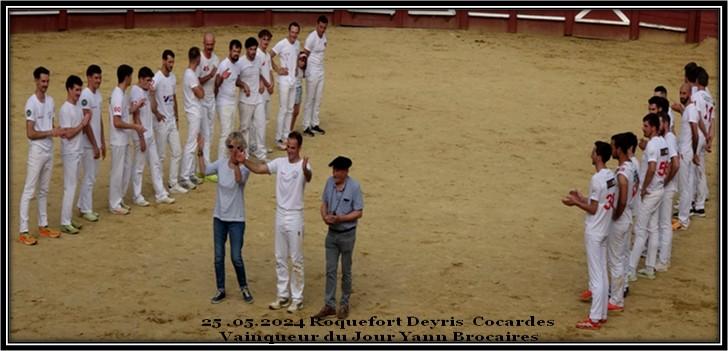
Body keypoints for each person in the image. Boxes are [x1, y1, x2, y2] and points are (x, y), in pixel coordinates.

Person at [243, 131, 312, 313]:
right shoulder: (280, 163)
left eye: (293, 148)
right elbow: (259, 169)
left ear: (299, 148)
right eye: (288, 147)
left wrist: (305, 169)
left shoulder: (303, 166)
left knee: (296, 258)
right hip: (280, 214)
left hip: (295, 215)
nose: (289, 151)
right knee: (280, 257)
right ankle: (283, 295)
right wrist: (243, 161)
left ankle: (297, 298)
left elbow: (308, 176)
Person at [562, 141, 616, 330]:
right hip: (605, 229)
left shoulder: (597, 179)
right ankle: (601, 314)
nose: (591, 153)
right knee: (602, 272)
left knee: (596, 276)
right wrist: (580, 198)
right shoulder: (611, 177)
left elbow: (593, 209)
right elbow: (598, 203)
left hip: (594, 230)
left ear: (599, 156)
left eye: (593, 151)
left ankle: (594, 318)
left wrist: (575, 203)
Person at [197, 131, 254, 305]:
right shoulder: (221, 163)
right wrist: (199, 152)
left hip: (236, 219)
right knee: (219, 257)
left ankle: (243, 286)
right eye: (230, 146)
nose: (233, 150)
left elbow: (238, 181)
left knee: (236, 256)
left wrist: (237, 163)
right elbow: (204, 171)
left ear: (242, 149)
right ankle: (220, 289)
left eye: (237, 147)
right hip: (220, 217)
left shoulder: (244, 168)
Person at [312, 156, 363, 320]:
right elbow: (324, 204)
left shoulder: (354, 187)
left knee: (346, 270)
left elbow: (358, 212)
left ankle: (344, 303)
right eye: (333, 170)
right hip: (332, 233)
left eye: (337, 170)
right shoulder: (329, 183)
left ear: (345, 171)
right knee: (330, 270)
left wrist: (340, 218)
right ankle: (330, 304)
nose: (334, 173)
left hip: (347, 234)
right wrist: (324, 216)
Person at [18, 67, 64, 245]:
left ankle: (43, 225)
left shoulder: (51, 101)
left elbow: (50, 124)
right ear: (36, 81)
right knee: (29, 190)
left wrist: (55, 131)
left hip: (48, 149)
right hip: (37, 151)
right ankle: (23, 230)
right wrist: (50, 132)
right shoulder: (31, 103)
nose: (45, 85)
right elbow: (30, 133)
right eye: (43, 81)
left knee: (44, 190)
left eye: (47, 81)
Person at [627, 113, 669, 281]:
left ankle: (631, 269)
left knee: (640, 230)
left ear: (653, 128)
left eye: (645, 126)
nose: (643, 129)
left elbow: (651, 168)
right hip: (659, 189)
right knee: (653, 228)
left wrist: (644, 188)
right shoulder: (663, 143)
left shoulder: (652, 145)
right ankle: (650, 267)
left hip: (651, 191)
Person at [130, 67, 175, 206]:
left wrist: (152, 93)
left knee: (155, 163)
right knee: (139, 166)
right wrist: (141, 137)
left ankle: (160, 193)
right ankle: (137, 196)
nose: (150, 83)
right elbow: (135, 115)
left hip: (150, 134)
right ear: (141, 79)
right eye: (148, 80)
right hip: (141, 135)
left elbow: (154, 108)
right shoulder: (135, 91)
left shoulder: (147, 91)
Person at [604, 133, 637, 312]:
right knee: (623, 256)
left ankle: (616, 300)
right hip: (629, 216)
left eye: (614, 146)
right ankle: (621, 289)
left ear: (620, 149)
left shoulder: (622, 174)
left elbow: (622, 199)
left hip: (621, 218)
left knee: (615, 260)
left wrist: (616, 215)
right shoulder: (632, 166)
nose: (612, 149)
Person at [109, 64, 146, 215]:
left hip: (123, 139)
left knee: (125, 169)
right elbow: (117, 122)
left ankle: (119, 199)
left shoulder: (122, 94)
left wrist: (135, 107)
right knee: (117, 172)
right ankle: (114, 204)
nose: (132, 78)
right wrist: (135, 127)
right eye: (130, 75)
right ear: (126, 77)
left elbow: (125, 112)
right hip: (118, 140)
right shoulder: (118, 95)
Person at [58, 75, 91, 234]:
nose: (79, 93)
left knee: (73, 186)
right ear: (69, 89)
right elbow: (68, 133)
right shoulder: (65, 109)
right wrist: (82, 124)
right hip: (70, 152)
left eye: (80, 89)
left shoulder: (77, 106)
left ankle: (68, 218)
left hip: (77, 151)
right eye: (76, 90)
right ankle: (65, 221)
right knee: (69, 187)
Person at [152, 50, 187, 195]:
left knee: (177, 151)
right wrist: (157, 113)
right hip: (161, 122)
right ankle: (159, 187)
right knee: (160, 155)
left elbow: (174, 99)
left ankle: (173, 183)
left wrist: (177, 118)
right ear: (163, 61)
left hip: (171, 120)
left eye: (173, 62)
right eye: (169, 62)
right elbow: (150, 95)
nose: (171, 65)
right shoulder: (157, 78)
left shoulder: (172, 78)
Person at [77, 64, 105, 223]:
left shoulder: (98, 95)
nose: (98, 81)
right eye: (95, 78)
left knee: (92, 175)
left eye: (100, 78)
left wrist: (102, 142)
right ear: (88, 78)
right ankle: (86, 209)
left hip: (95, 142)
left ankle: (82, 205)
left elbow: (98, 119)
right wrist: (95, 144)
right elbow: (86, 123)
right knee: (89, 177)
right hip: (87, 144)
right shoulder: (85, 96)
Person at [673, 83, 700, 231]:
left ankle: (683, 220)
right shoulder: (690, 110)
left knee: (684, 187)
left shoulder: (691, 110)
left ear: (689, 94)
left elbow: (695, 134)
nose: (681, 96)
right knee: (687, 185)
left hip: (686, 152)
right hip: (687, 151)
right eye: (680, 93)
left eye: (684, 93)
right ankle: (684, 217)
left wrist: (694, 153)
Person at [271, 22, 301, 151]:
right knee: (283, 109)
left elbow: (296, 57)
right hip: (283, 80)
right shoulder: (282, 43)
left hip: (293, 80)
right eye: (292, 32)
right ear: (289, 32)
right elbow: (269, 55)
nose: (294, 34)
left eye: (296, 32)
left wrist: (295, 69)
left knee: (289, 109)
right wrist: (277, 69)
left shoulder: (298, 44)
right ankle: (278, 138)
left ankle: (286, 136)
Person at [236, 37, 266, 161]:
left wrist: (261, 82)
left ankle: (261, 153)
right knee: (245, 128)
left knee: (261, 125)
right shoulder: (240, 62)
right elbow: (235, 80)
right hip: (245, 100)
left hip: (258, 98)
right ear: (246, 50)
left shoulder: (258, 59)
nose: (253, 52)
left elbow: (259, 73)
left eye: (255, 49)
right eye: (251, 49)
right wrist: (244, 85)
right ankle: (245, 154)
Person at [656, 112, 679, 272]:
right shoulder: (668, 138)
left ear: (665, 123)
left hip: (667, 187)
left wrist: (664, 182)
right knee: (661, 223)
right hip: (665, 186)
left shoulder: (669, 138)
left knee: (664, 224)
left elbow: (675, 164)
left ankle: (664, 260)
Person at [180, 46, 205, 190]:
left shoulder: (191, 74)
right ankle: (184, 176)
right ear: (198, 59)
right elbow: (200, 93)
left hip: (195, 111)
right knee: (191, 144)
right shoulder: (190, 74)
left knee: (194, 143)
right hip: (193, 112)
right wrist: (200, 90)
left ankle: (190, 173)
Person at [691, 67, 713, 217]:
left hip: (698, 134)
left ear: (697, 81)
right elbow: (713, 120)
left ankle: (697, 204)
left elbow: (697, 117)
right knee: (700, 167)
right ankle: (699, 199)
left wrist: (704, 134)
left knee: (694, 168)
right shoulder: (710, 98)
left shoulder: (697, 96)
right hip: (705, 135)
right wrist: (710, 137)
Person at [197, 33, 219, 177]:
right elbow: (197, 80)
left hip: (211, 100)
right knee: (203, 134)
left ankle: (204, 165)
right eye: (207, 44)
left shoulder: (216, 59)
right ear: (203, 43)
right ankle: (203, 166)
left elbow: (216, 82)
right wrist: (210, 75)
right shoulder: (199, 59)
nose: (209, 47)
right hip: (200, 101)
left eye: (212, 45)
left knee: (210, 132)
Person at [302, 15, 329, 137]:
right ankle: (306, 125)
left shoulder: (324, 37)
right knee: (310, 99)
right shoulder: (311, 38)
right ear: (317, 25)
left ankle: (315, 123)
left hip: (320, 70)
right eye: (321, 27)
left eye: (324, 28)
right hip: (311, 71)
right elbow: (304, 55)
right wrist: (303, 71)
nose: (322, 30)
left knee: (318, 98)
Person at [215, 39, 242, 163]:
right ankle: (221, 162)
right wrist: (222, 77)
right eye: (234, 51)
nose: (236, 53)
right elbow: (216, 83)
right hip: (223, 103)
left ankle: (227, 160)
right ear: (230, 50)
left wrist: (244, 85)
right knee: (225, 133)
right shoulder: (223, 65)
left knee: (230, 133)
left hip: (232, 102)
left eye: (238, 51)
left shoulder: (237, 65)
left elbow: (235, 81)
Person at [257, 29, 275, 152]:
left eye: (268, 40)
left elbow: (270, 71)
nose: (266, 42)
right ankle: (258, 147)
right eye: (264, 39)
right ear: (259, 39)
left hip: (267, 91)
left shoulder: (267, 55)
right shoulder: (257, 54)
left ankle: (261, 144)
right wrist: (265, 83)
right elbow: (257, 72)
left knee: (266, 119)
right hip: (261, 91)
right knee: (259, 120)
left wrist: (272, 84)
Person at [291, 52, 307, 135]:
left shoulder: (303, 70)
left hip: (299, 89)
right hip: (294, 89)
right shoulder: (295, 69)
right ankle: (289, 129)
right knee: (293, 111)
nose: (302, 62)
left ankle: (291, 128)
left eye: (304, 60)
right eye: (301, 59)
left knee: (296, 112)